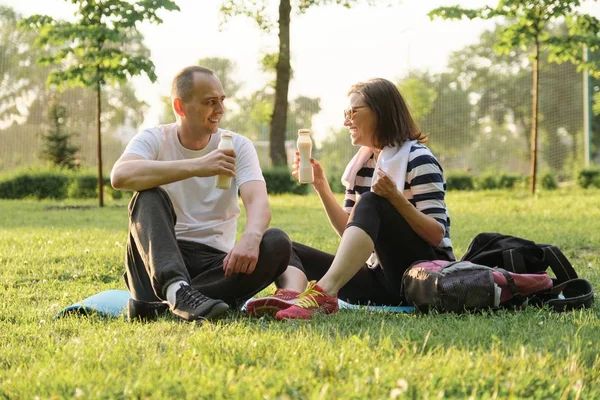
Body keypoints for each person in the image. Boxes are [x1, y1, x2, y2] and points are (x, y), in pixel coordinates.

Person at [246, 78, 455, 320]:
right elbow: (351, 230)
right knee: (285, 246)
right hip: (383, 281)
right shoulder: (362, 165)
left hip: (425, 278)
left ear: (381, 111)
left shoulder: (419, 159)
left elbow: (437, 235)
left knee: (371, 201)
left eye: (353, 112)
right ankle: (291, 297)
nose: (346, 121)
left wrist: (396, 199)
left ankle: (323, 294)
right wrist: (321, 186)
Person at [110, 66, 292, 322]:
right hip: (159, 259)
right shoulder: (153, 138)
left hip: (215, 263)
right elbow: (120, 176)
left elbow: (257, 199)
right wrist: (198, 166)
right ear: (180, 107)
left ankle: (165, 305)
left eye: (221, 100)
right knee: (147, 196)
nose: (220, 109)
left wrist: (251, 236)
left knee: (276, 242)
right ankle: (176, 290)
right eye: (209, 102)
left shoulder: (237, 144)